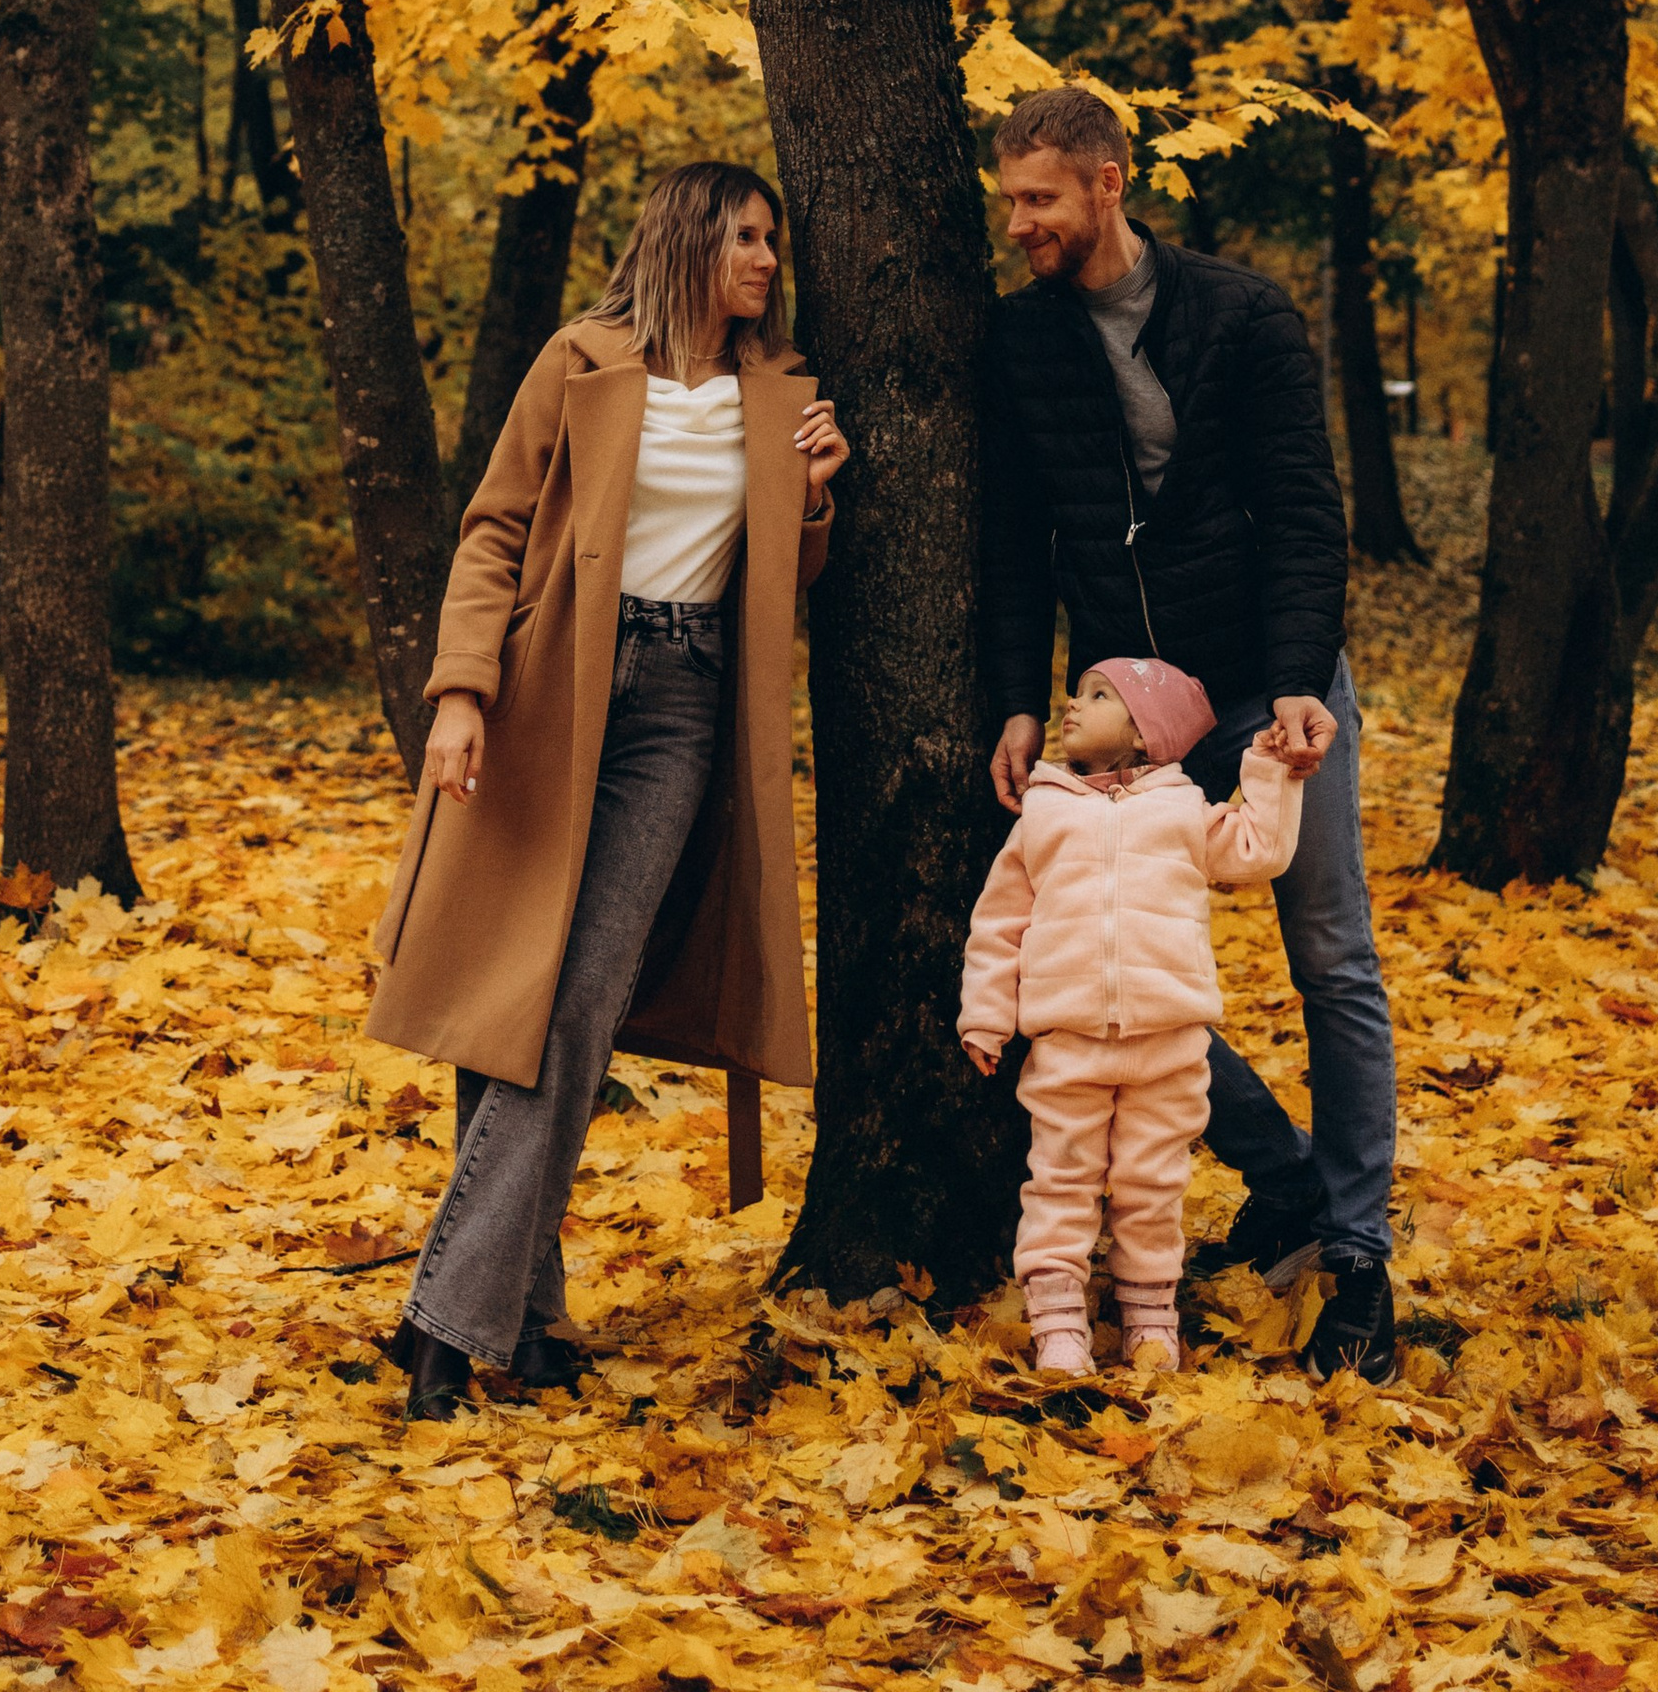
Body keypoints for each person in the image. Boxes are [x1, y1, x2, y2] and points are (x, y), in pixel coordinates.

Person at [366, 160, 848, 1417]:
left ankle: (442, 1318)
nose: (765, 260)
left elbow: (787, 580)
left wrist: (811, 499)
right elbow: (493, 529)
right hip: (553, 685)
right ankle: (519, 1320)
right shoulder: (580, 360)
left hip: (683, 700)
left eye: (771, 241)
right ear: (687, 239)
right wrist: (459, 695)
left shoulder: (780, 393)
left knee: (577, 999)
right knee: (510, 994)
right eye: (744, 236)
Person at [978, 83, 1398, 1379]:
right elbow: (1016, 545)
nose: (1019, 225)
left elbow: (1303, 508)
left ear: (1108, 184)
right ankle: (1286, 1183)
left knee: (1330, 956)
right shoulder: (1023, 341)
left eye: (1038, 199)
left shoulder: (1242, 315)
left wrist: (1292, 684)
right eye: (1008, 202)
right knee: (1104, 963)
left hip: (1275, 687)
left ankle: (1359, 1262)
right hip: (1140, 711)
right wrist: (1015, 694)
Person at [960, 654, 1299, 1376]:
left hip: (1170, 1045)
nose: (1071, 707)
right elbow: (999, 925)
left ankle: (1150, 1317)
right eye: (1075, 693)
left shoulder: (1184, 810)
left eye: (1096, 695)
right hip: (1066, 1041)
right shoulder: (1044, 812)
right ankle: (1057, 1323)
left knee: (1153, 1184)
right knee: (1060, 1179)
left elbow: (1260, 849)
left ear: (1146, 735)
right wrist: (985, 1017)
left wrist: (1270, 772)